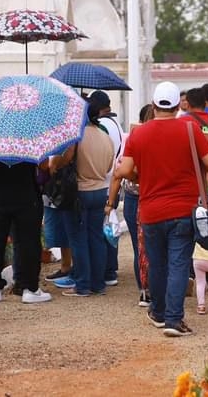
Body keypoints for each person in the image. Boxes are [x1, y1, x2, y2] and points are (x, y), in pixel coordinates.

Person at [116, 81, 208, 337]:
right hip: (183, 210)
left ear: (153, 105)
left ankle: (159, 312)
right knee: (177, 264)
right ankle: (173, 319)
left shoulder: (138, 134)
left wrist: (144, 176)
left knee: (157, 264)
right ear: (177, 106)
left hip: (150, 210)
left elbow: (125, 170)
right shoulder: (190, 129)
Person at [53, 102, 115, 297]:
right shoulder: (105, 137)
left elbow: (62, 160)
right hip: (100, 191)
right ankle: (98, 283)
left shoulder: (75, 137)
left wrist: (56, 163)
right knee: (96, 238)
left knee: (78, 239)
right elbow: (107, 168)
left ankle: (82, 284)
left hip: (79, 192)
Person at [0, 154, 51, 304]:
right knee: (30, 241)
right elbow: (44, 165)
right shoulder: (30, 136)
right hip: (26, 194)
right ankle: (30, 288)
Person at [105, 104, 155, 307]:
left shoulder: (132, 139)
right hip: (155, 196)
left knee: (139, 247)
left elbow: (118, 174)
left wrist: (110, 203)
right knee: (158, 247)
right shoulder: (161, 139)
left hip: (134, 198)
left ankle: (144, 289)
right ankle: (158, 288)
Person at [88, 90, 124, 287]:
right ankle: (110, 269)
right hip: (113, 182)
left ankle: (106, 272)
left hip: (103, 182)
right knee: (108, 227)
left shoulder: (103, 126)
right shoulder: (116, 124)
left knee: (100, 230)